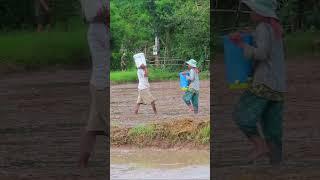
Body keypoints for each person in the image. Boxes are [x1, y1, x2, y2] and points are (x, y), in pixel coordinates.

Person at [230, 0, 286, 165]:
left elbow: (261, 54)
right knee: (272, 127)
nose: (250, 13)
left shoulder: (263, 28)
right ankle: (276, 165)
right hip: (279, 85)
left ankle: (260, 146)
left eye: (252, 10)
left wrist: (241, 44)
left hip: (264, 82)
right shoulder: (274, 28)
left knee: (241, 116)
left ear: (260, 13)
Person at [78, 0, 110, 168]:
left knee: (93, 128)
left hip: (98, 84)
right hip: (103, 86)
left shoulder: (96, 29)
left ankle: (81, 164)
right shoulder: (100, 30)